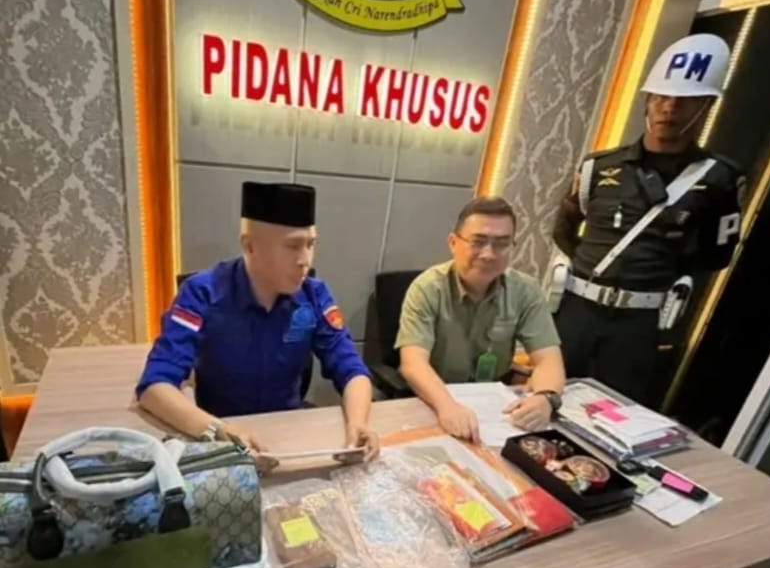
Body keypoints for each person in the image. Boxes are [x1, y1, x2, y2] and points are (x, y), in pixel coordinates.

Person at [551, 33, 746, 408]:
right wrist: (591, 268)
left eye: (684, 101)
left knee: (614, 412)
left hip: (640, 320)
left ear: (705, 106)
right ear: (647, 101)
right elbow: (564, 227)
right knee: (548, 394)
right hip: (577, 309)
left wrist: (658, 270)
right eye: (660, 97)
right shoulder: (599, 166)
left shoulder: (719, 179)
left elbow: (716, 255)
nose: (669, 108)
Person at [135, 181, 379, 461]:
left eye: (311, 245)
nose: (305, 260)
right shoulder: (202, 293)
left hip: (288, 437)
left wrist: (358, 424)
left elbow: (352, 369)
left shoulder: (314, 295)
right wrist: (219, 432)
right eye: (293, 246)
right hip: (220, 440)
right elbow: (153, 388)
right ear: (249, 246)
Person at [395, 196, 566, 443]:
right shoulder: (427, 288)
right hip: (435, 398)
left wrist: (545, 398)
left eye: (501, 244)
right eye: (478, 242)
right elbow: (413, 364)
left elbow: (549, 360)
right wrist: (447, 406)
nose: (489, 254)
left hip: (496, 406)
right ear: (453, 243)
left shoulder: (526, 291)